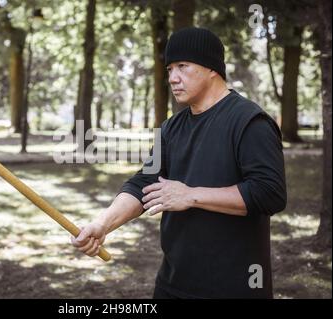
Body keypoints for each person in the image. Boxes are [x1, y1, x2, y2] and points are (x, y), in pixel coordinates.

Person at [71, 27, 287, 299]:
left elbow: (270, 193)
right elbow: (144, 183)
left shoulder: (249, 121)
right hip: (173, 285)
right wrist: (102, 225)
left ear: (211, 68)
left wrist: (191, 195)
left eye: (182, 66)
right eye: (169, 69)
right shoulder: (171, 128)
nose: (173, 78)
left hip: (233, 287)